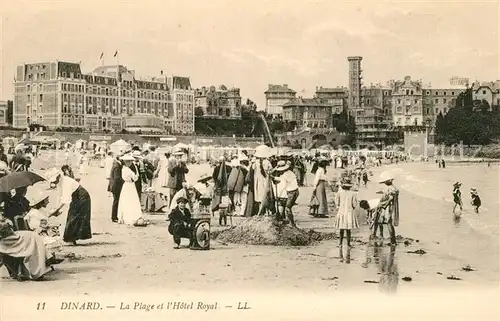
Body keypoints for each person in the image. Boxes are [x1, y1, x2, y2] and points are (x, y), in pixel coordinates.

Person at [45, 167, 92, 245]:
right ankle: (70, 238)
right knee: (72, 215)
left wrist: (55, 210)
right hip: (76, 196)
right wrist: (56, 209)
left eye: (54, 180)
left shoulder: (66, 181)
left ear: (58, 176)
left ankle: (71, 238)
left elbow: (65, 199)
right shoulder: (60, 182)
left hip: (82, 196)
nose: (54, 182)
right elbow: (60, 195)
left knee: (74, 216)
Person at [117, 154, 148, 226]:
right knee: (131, 201)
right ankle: (131, 217)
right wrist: (136, 173)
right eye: (129, 162)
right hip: (130, 185)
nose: (130, 163)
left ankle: (124, 217)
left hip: (126, 185)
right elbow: (135, 178)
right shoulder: (127, 170)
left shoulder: (123, 169)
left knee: (126, 201)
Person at [372, 172, 399, 246]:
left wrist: (384, 205)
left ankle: (393, 241)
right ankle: (393, 240)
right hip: (391, 207)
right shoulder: (393, 188)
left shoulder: (391, 188)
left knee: (389, 223)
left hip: (389, 207)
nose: (384, 183)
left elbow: (390, 198)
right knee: (389, 223)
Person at [272, 160, 299, 227]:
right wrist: (274, 178)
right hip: (296, 191)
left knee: (287, 208)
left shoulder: (284, 175)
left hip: (291, 192)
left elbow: (282, 186)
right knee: (288, 207)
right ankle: (288, 221)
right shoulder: (290, 172)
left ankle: (292, 223)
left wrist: (278, 196)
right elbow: (280, 179)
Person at [334, 177, 359, 248]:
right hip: (349, 212)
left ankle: (340, 244)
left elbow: (337, 203)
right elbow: (354, 204)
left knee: (341, 229)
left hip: (341, 212)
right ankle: (348, 244)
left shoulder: (339, 193)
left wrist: (338, 206)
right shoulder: (353, 194)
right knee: (348, 230)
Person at [108, 152, 125, 223]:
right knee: (116, 201)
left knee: (116, 201)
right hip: (116, 186)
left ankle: (115, 216)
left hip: (114, 186)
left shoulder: (116, 164)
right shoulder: (117, 166)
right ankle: (114, 216)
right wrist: (124, 181)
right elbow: (117, 178)